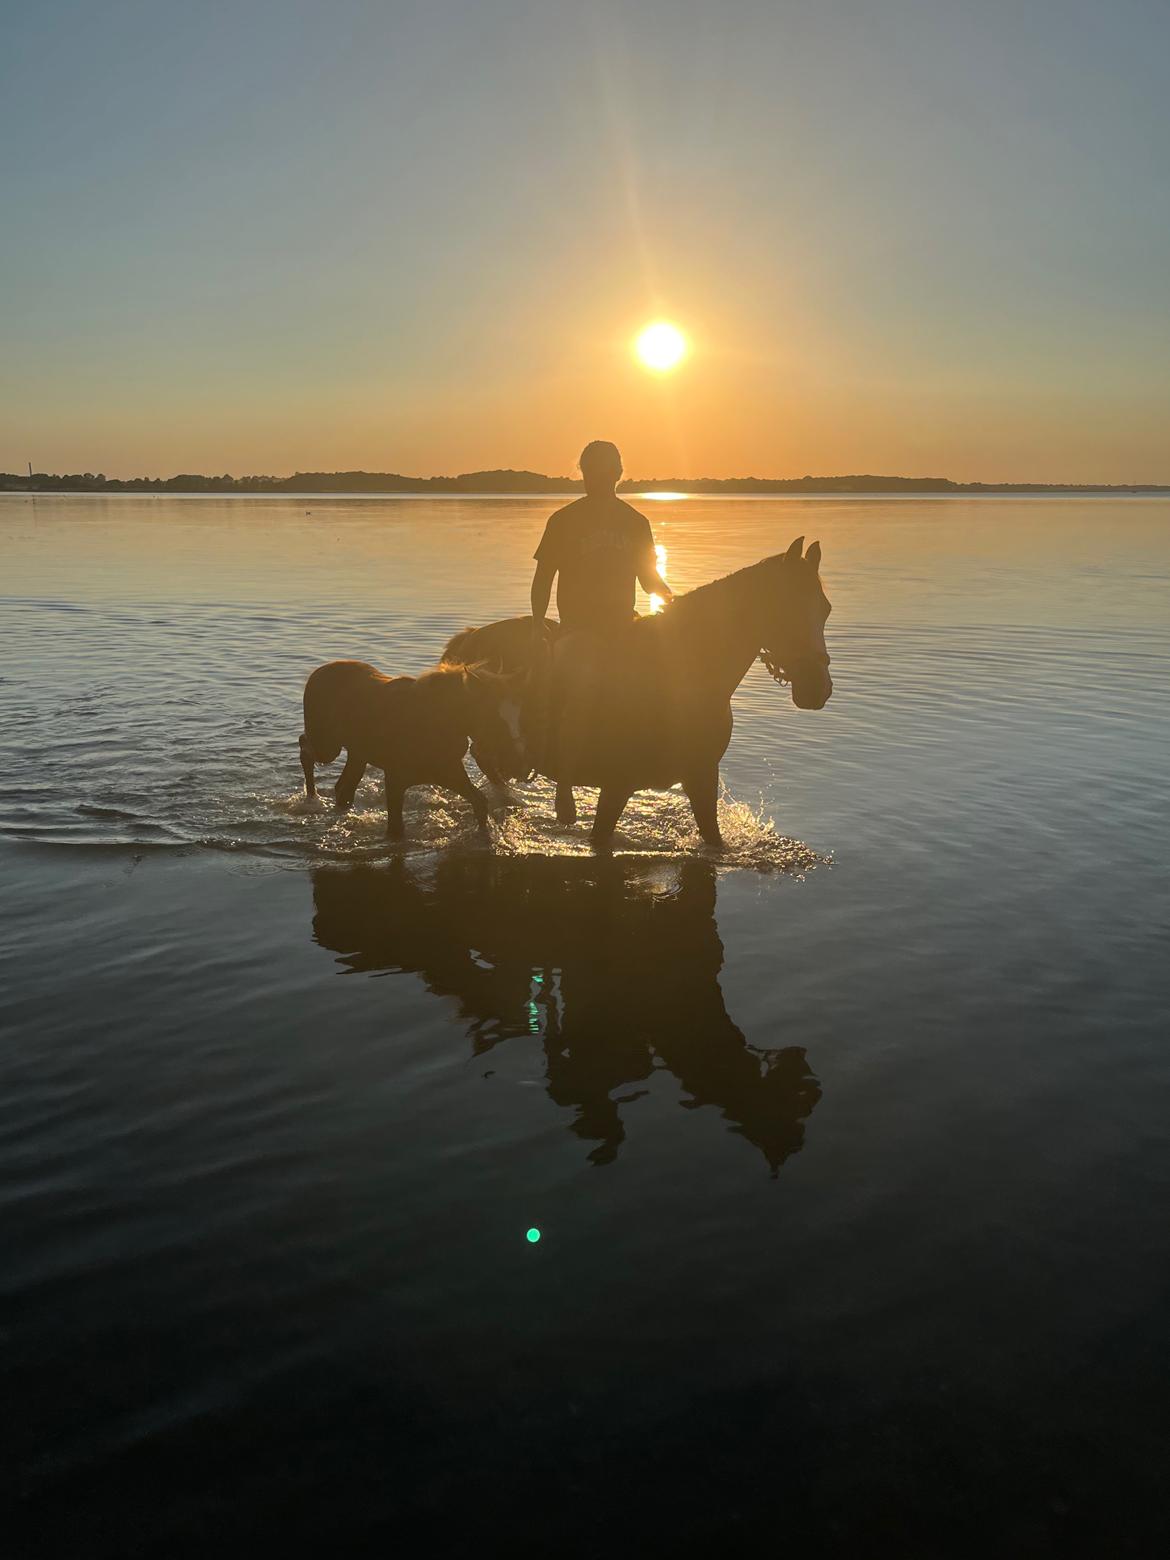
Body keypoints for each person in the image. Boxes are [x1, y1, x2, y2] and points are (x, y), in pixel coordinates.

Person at [530, 440, 672, 643]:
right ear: (583, 474)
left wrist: (676, 604)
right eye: (591, 473)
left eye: (602, 474)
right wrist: (537, 625)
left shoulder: (637, 523)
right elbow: (543, 579)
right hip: (576, 631)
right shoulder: (562, 521)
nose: (597, 480)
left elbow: (649, 581)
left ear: (618, 474)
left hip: (624, 628)